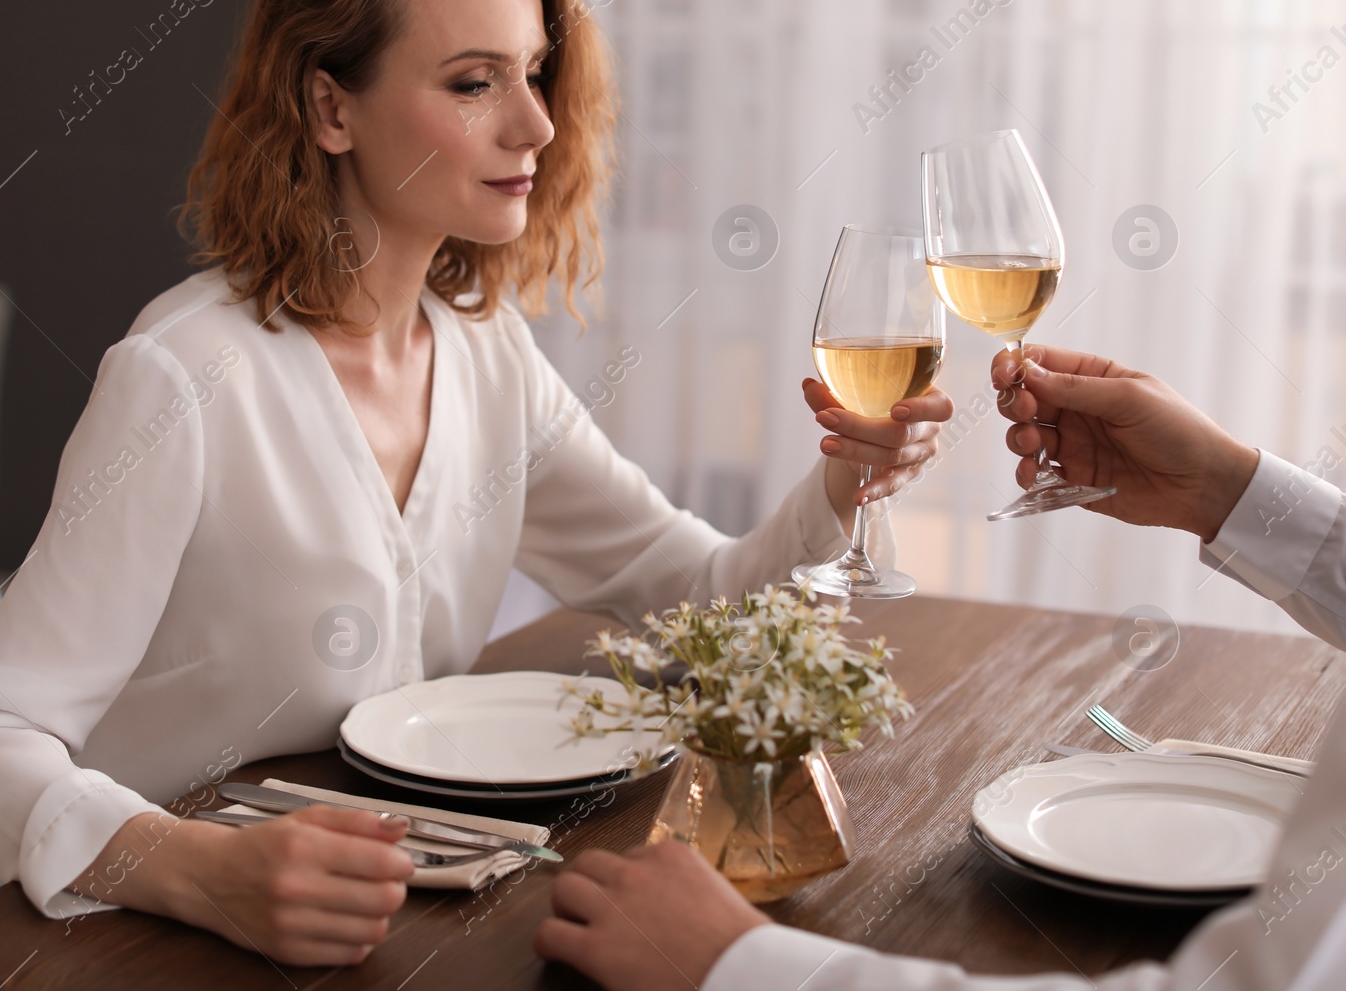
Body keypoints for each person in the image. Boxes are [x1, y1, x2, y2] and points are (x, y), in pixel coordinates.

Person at [0, 0, 951, 969]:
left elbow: (696, 598)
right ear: (330, 109)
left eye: (535, 73)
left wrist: (841, 485)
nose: (536, 124)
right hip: (159, 943)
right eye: (473, 83)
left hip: (395, 924)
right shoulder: (183, 378)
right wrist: (198, 869)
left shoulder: (483, 347)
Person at [535, 343, 1346, 991]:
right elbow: (708, 611)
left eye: (555, 118)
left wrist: (742, 969)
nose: (538, 128)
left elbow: (711, 612)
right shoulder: (496, 349)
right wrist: (1222, 488)